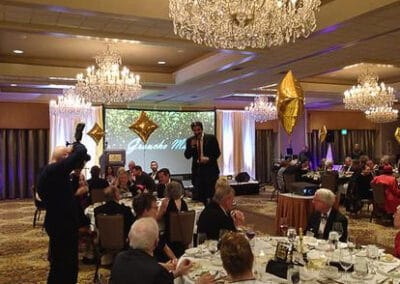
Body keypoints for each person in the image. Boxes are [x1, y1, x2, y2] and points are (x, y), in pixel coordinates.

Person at [37, 143, 90, 284]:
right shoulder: (54, 170)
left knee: (59, 264)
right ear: (64, 157)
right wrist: (74, 146)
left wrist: (75, 183)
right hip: (62, 225)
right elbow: (81, 151)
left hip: (57, 221)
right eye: (67, 155)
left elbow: (62, 196)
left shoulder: (49, 172)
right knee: (66, 266)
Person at [110, 217, 193, 284]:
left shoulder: (119, 258)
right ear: (156, 243)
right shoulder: (156, 271)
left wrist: (177, 272)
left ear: (130, 238)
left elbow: (141, 275)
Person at [132, 193, 177, 263]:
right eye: (155, 208)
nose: (157, 211)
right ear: (145, 211)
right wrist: (165, 266)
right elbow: (142, 263)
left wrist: (175, 260)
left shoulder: (151, 225)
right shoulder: (138, 232)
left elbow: (164, 246)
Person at [184, 121, 221, 205]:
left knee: (211, 195)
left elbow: (217, 153)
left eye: (198, 130)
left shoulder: (211, 138)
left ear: (202, 129)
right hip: (197, 172)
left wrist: (208, 159)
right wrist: (191, 146)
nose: (197, 132)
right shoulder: (190, 140)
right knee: (199, 197)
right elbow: (187, 156)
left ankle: (212, 213)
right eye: (194, 130)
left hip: (210, 171)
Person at [158, 181, 188, 257]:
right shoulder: (184, 203)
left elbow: (158, 218)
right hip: (183, 237)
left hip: (169, 238)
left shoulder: (166, 202)